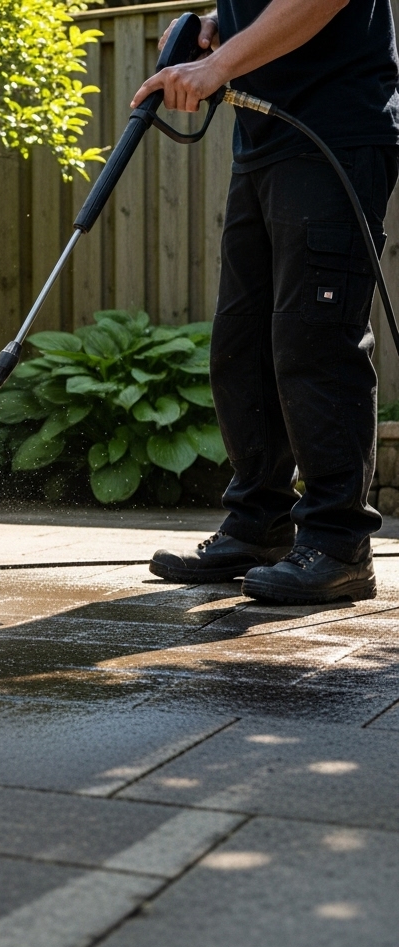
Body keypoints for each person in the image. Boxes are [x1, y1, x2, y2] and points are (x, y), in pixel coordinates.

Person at [139, 0, 399, 603]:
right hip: (265, 138)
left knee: (314, 336)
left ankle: (338, 544)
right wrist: (216, 22)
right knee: (243, 342)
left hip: (334, 129)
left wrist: (216, 67)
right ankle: (261, 524)